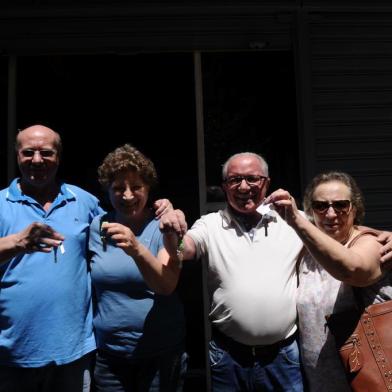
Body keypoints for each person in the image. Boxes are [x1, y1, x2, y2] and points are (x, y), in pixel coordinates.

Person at [160, 152, 304, 392]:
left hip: (283, 357)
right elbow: (181, 250)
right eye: (234, 180)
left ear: (266, 183)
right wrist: (171, 231)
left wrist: (377, 235)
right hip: (229, 356)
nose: (243, 186)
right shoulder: (210, 224)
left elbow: (336, 236)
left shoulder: (292, 221)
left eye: (252, 178)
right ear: (225, 187)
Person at [265, 171, 392, 391]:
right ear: (311, 211)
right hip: (320, 383)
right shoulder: (306, 253)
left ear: (355, 208)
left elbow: (352, 269)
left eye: (341, 205)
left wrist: (295, 220)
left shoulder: (370, 242)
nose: (331, 214)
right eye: (321, 206)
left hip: (371, 379)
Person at [0, 124, 103, 392]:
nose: (36, 160)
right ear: (17, 156)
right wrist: (16, 243)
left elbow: (127, 226)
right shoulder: (1, 204)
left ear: (58, 157)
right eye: (28, 153)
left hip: (72, 352)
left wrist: (164, 210)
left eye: (46, 153)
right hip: (12, 353)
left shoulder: (82, 201)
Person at [88, 144, 186, 392]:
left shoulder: (163, 224)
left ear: (149, 188)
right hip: (109, 356)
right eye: (118, 188)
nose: (128, 195)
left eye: (136, 187)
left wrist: (136, 249)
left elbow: (166, 285)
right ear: (107, 190)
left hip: (158, 355)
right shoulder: (97, 226)